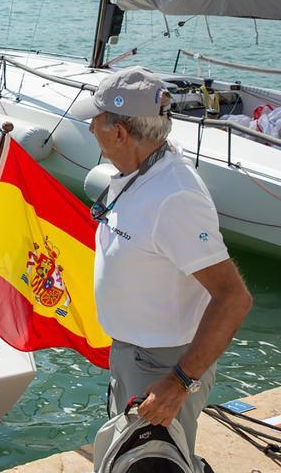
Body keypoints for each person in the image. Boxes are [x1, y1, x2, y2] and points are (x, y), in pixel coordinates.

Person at [69, 66, 253, 465]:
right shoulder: (140, 173)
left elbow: (233, 298)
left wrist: (179, 382)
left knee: (156, 461)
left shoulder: (175, 198)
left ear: (120, 133)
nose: (90, 129)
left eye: (96, 121)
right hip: (136, 356)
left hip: (163, 364)